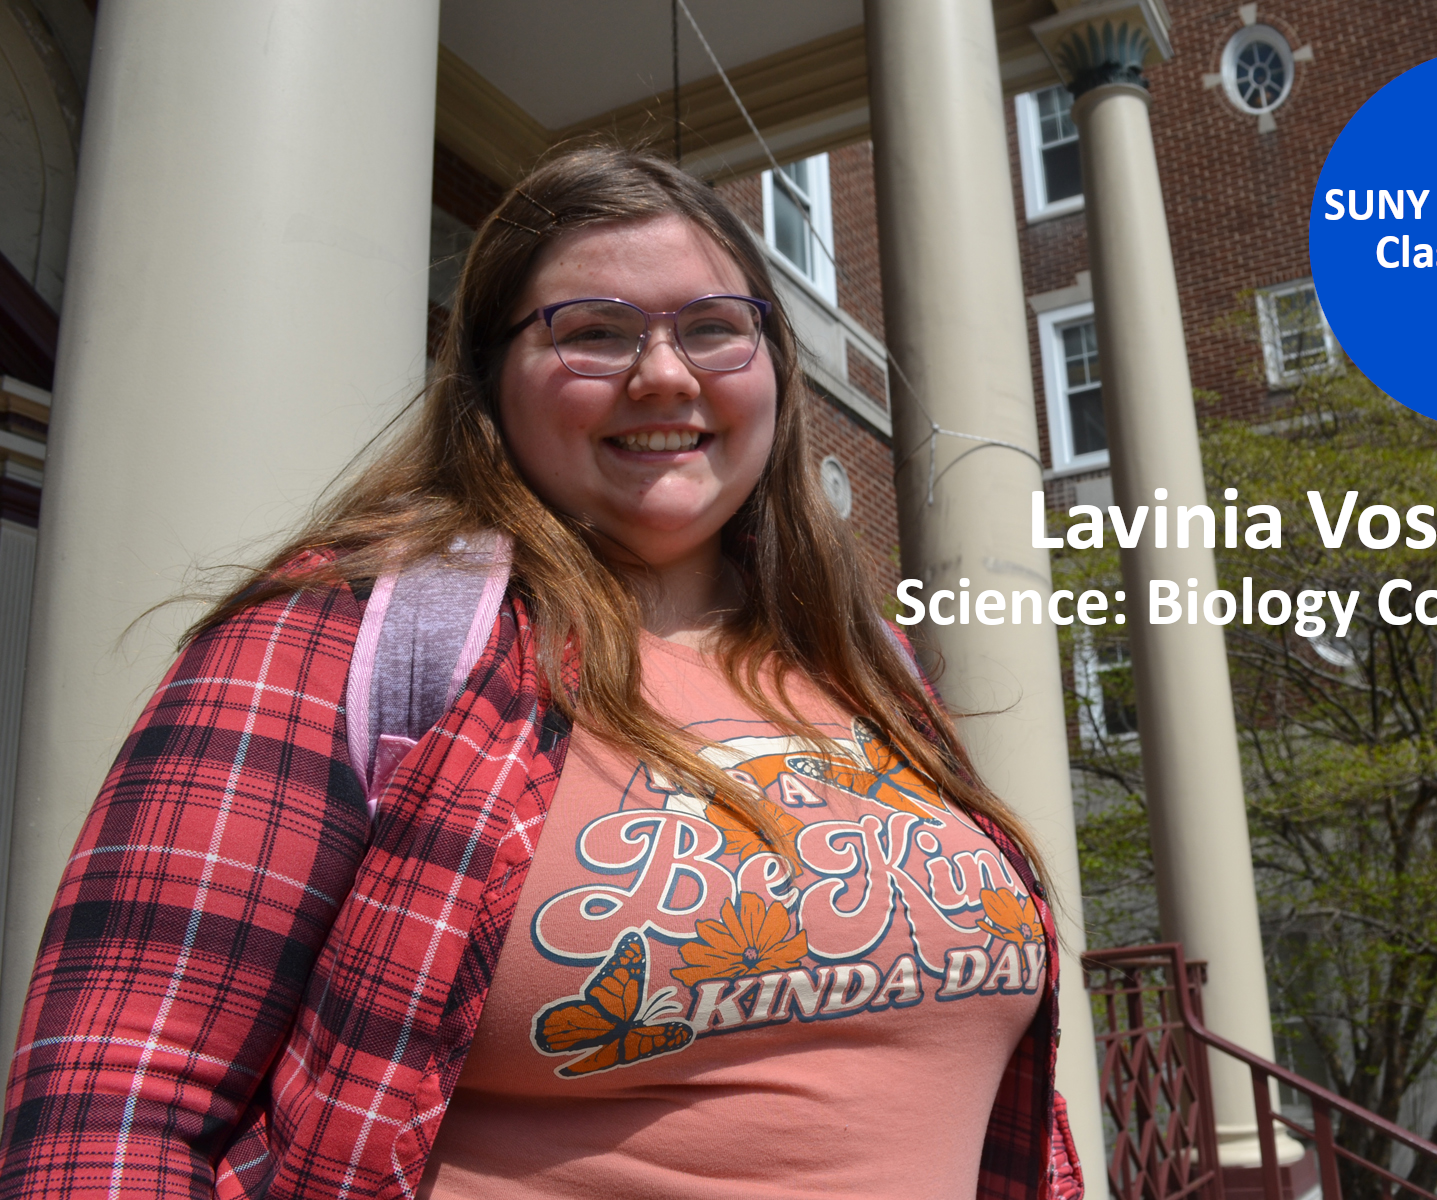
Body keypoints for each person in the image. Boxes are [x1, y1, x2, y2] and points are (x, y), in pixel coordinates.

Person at [0, 145, 1084, 1200]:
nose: (664, 374)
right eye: (595, 333)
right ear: (490, 376)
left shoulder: (863, 661)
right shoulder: (349, 633)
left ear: (775, 372)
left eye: (714, 328)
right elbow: (112, 1117)